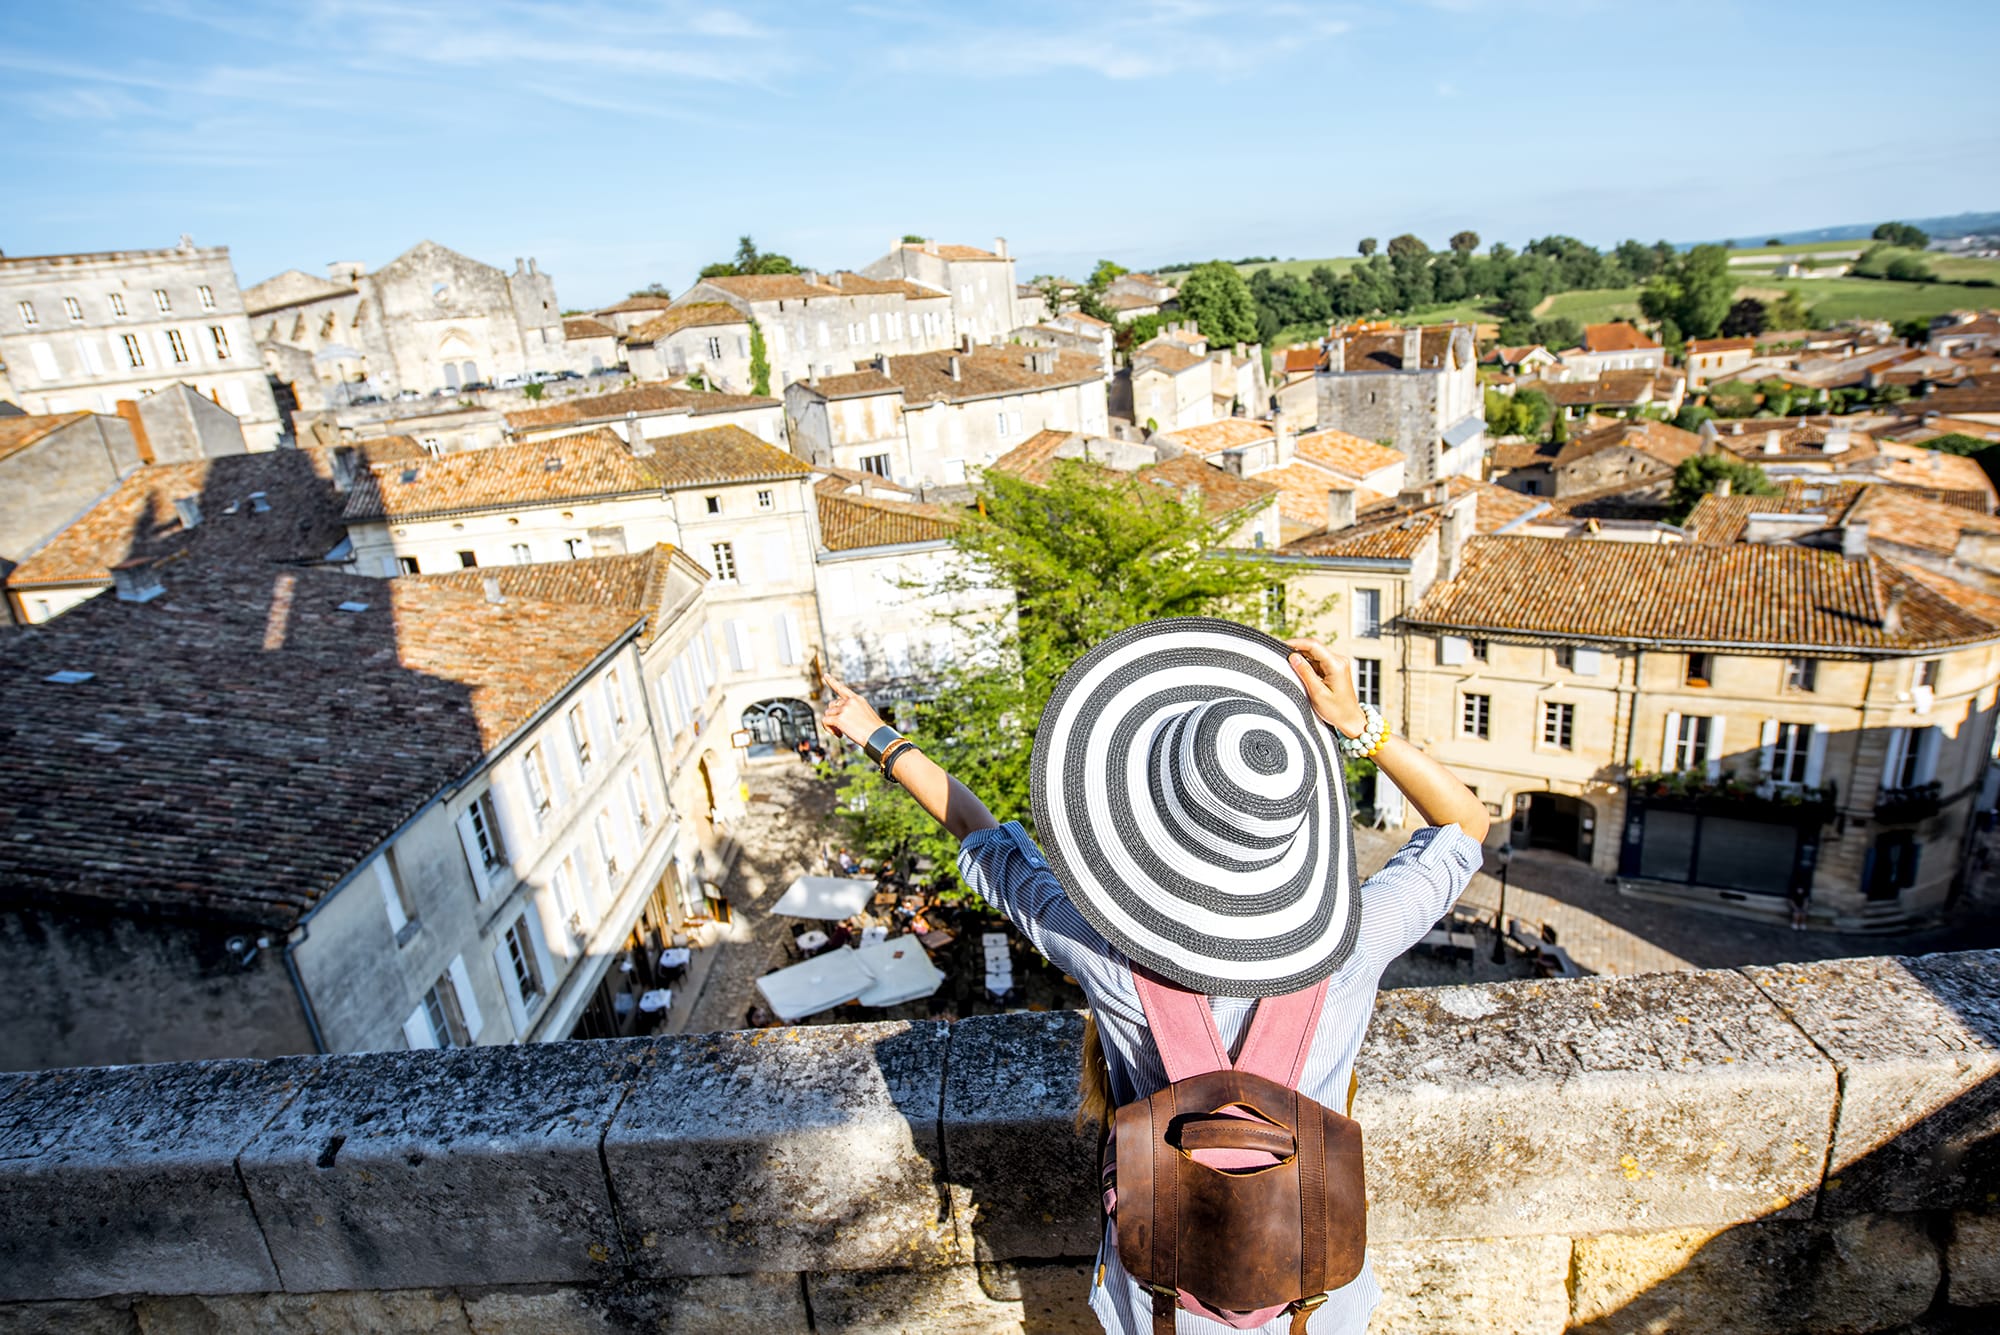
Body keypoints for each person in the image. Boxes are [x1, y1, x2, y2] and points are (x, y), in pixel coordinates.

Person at [820, 617, 1489, 1335]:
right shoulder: (1355, 937)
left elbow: (986, 841)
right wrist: (1360, 725)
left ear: (1149, 825)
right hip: (1314, 1305)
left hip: (1160, 1303)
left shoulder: (1103, 946)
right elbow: (1466, 826)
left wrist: (877, 735)